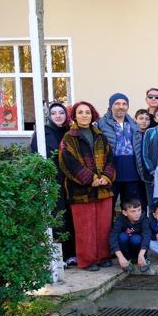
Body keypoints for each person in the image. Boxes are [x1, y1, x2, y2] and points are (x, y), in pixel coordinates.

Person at [58, 101, 115, 271]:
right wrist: (90, 178)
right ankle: (88, 260)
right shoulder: (69, 137)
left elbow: (110, 158)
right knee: (85, 227)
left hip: (103, 189)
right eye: (80, 112)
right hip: (80, 191)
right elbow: (68, 163)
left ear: (93, 115)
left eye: (88, 112)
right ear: (74, 116)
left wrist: (106, 176)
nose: (84, 115)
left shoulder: (100, 136)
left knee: (104, 226)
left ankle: (103, 256)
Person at [31, 102, 75, 265]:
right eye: (54, 113)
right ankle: (59, 257)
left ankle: (71, 254)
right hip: (53, 181)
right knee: (58, 217)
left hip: (70, 181)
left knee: (71, 217)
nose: (58, 116)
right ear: (50, 115)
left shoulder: (69, 132)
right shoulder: (43, 133)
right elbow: (35, 157)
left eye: (61, 113)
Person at [97, 93, 144, 212]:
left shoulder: (134, 124)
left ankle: (129, 230)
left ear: (128, 106)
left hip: (132, 172)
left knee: (131, 208)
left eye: (124, 104)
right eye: (117, 103)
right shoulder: (101, 124)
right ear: (111, 106)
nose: (121, 106)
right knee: (108, 208)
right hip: (111, 172)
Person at [109, 198, 152, 272]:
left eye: (139, 210)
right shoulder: (120, 219)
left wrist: (142, 254)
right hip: (126, 250)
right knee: (122, 236)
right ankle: (126, 260)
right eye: (133, 211)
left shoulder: (144, 219)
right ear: (125, 213)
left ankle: (142, 258)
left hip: (139, 249)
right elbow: (113, 237)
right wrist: (120, 257)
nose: (137, 213)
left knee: (135, 238)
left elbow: (147, 236)